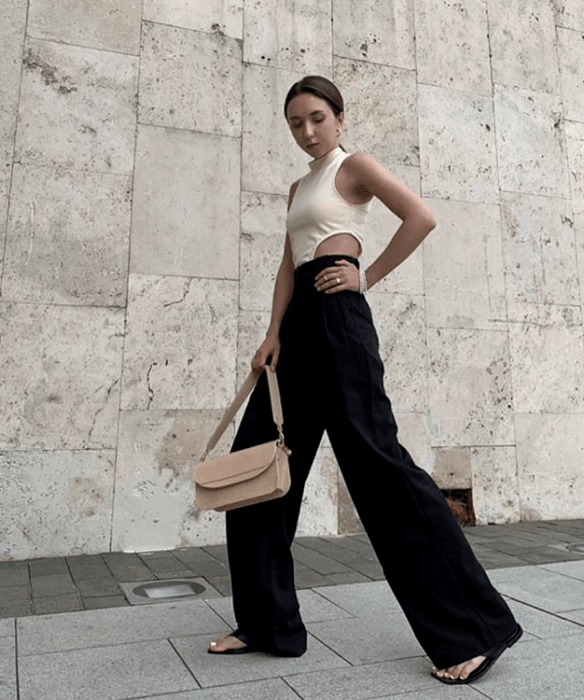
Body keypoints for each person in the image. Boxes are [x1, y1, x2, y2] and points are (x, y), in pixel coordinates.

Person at [207, 75, 522, 685]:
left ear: (340, 118)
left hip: (340, 320)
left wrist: (365, 277)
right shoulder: (299, 186)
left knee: (379, 468)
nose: (307, 131)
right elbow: (286, 264)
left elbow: (420, 216)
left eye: (317, 118)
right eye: (296, 122)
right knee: (256, 471)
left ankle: (474, 631)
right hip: (297, 326)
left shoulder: (354, 167)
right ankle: (266, 623)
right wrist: (272, 333)